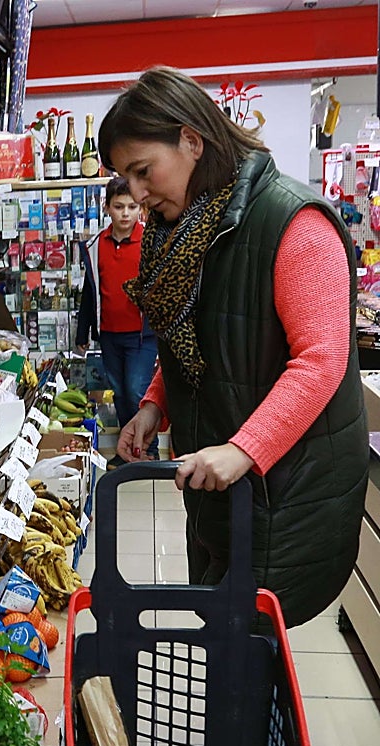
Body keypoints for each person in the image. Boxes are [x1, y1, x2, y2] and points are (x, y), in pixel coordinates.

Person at [98, 66, 367, 628]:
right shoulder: (190, 227)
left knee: (253, 650)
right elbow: (196, 332)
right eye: (127, 177)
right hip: (223, 484)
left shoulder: (292, 222)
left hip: (284, 488)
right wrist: (155, 404)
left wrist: (243, 450)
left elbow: (322, 361)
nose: (137, 194)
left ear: (191, 141)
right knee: (229, 638)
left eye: (143, 171)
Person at [74, 176, 158, 462]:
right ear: (106, 207)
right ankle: (128, 449)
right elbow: (90, 291)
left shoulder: (151, 240)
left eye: (132, 207)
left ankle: (148, 449)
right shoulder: (96, 245)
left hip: (143, 335)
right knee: (120, 393)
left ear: (140, 209)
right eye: (119, 206)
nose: (125, 213)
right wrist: (81, 333)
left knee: (137, 392)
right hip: (109, 333)